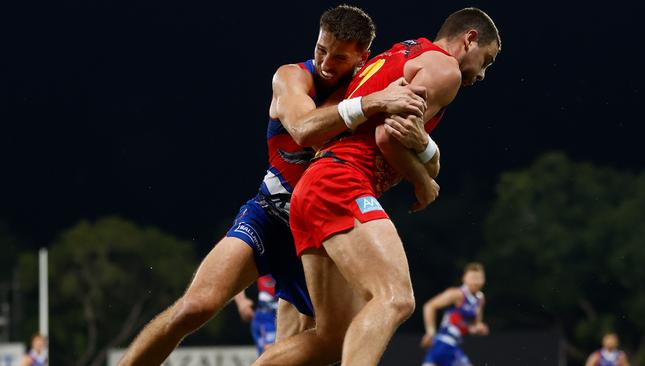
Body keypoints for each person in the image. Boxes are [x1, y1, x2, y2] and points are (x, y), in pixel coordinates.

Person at [118, 5, 427, 366]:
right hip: (269, 213)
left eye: (339, 57)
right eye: (321, 49)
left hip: (319, 232)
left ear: (363, 57)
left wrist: (425, 153)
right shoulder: (293, 78)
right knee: (194, 307)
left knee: (316, 344)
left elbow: (404, 144)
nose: (326, 62)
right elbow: (303, 128)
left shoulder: (373, 90)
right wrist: (373, 102)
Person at [254, 7, 501, 366]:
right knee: (395, 298)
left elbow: (396, 131)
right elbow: (390, 136)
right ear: (470, 39)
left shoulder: (405, 50)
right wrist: (423, 183)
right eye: (487, 61)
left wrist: (429, 155)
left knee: (331, 338)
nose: (482, 73)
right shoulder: (444, 68)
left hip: (313, 186)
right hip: (343, 183)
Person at [420, 263, 489, 366]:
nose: (476, 282)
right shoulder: (457, 294)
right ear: (464, 278)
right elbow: (429, 306)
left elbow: (474, 326)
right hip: (443, 343)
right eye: (473, 278)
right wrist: (430, 332)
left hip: (451, 346)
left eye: (479, 278)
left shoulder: (480, 299)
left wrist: (480, 329)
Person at [233, 275, 279, 355]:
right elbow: (235, 272)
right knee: (270, 354)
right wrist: (241, 301)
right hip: (267, 315)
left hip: (294, 312)